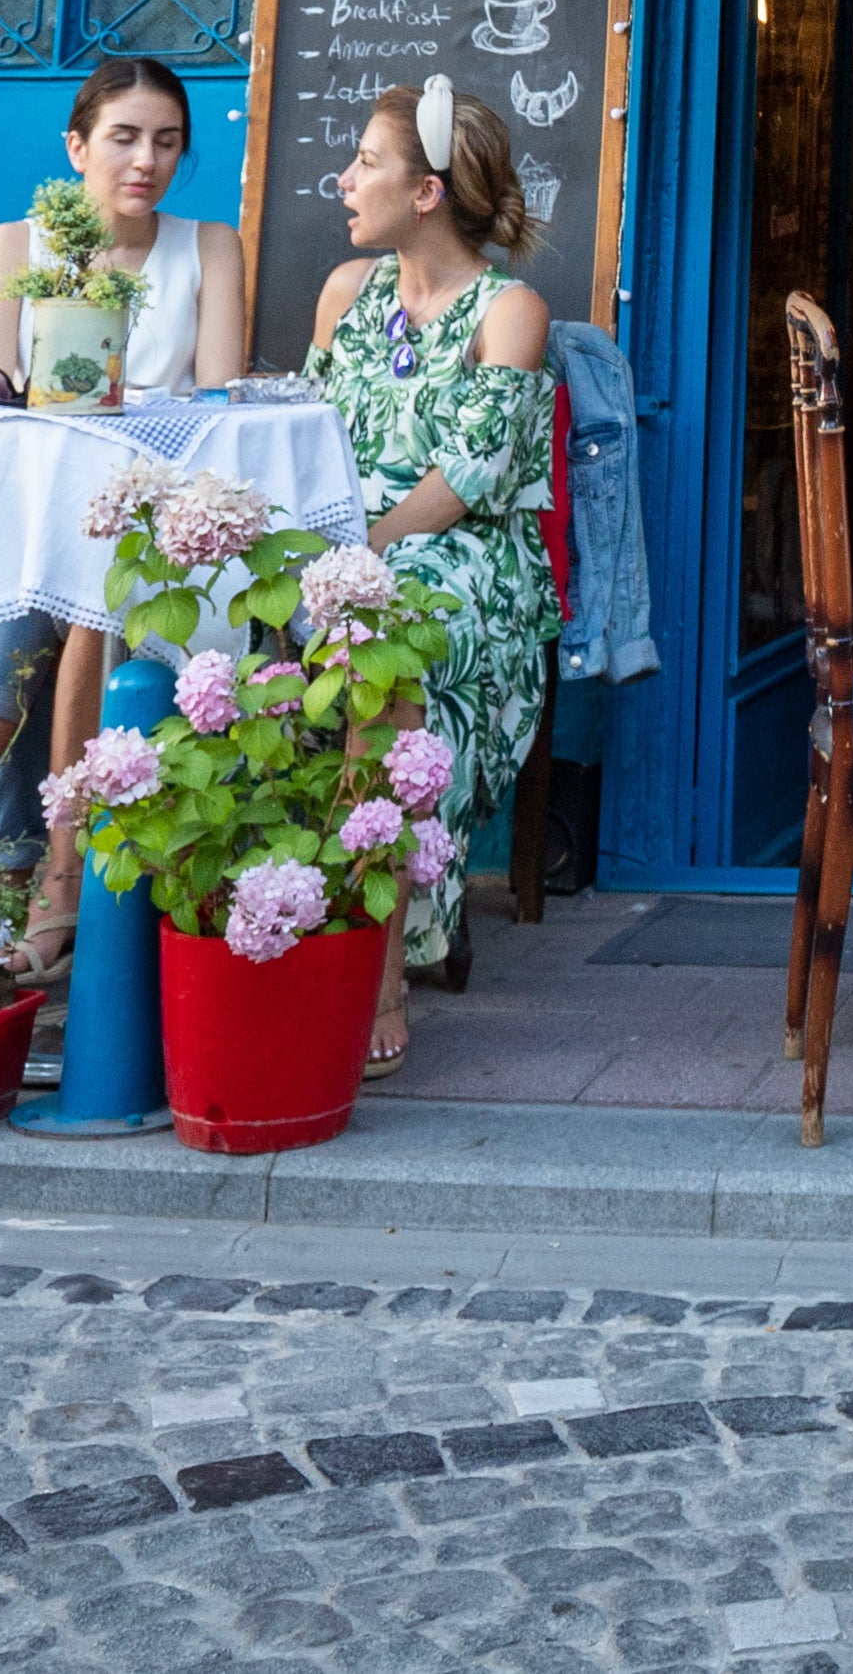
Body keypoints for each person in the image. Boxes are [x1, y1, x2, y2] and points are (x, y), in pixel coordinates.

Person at [0, 55, 253, 918]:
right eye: (123, 137)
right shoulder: (17, 244)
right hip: (32, 517)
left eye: (168, 141)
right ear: (76, 146)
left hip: (155, 522)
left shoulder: (209, 246)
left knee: (74, 598)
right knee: (27, 591)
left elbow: (216, 404)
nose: (146, 159)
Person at [307, 73, 557, 1068]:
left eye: (366, 161)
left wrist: (360, 555)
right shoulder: (344, 292)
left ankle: (376, 978)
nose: (343, 178)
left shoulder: (512, 309)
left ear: (426, 193)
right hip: (343, 547)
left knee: (388, 639)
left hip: (469, 568)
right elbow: (310, 437)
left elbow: (469, 479)